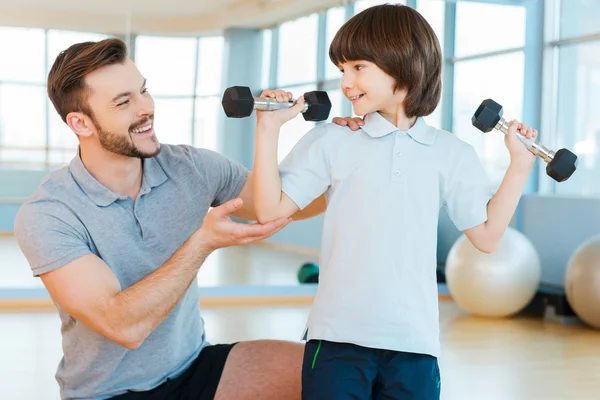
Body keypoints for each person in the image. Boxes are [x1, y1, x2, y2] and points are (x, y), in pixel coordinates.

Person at [13, 37, 337, 400]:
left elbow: (276, 203)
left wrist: (345, 157)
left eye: (143, 91)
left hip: (192, 367)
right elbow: (124, 326)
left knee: (330, 374)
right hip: (108, 394)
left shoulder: (191, 167)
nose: (145, 108)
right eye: (123, 102)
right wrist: (203, 242)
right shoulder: (48, 214)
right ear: (81, 123)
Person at [252, 4, 538, 400]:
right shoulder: (332, 140)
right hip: (336, 338)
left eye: (358, 67)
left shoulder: (451, 153)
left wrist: (520, 165)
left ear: (401, 65)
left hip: (414, 344)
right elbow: (269, 210)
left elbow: (487, 237)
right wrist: (267, 130)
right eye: (341, 70)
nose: (346, 82)